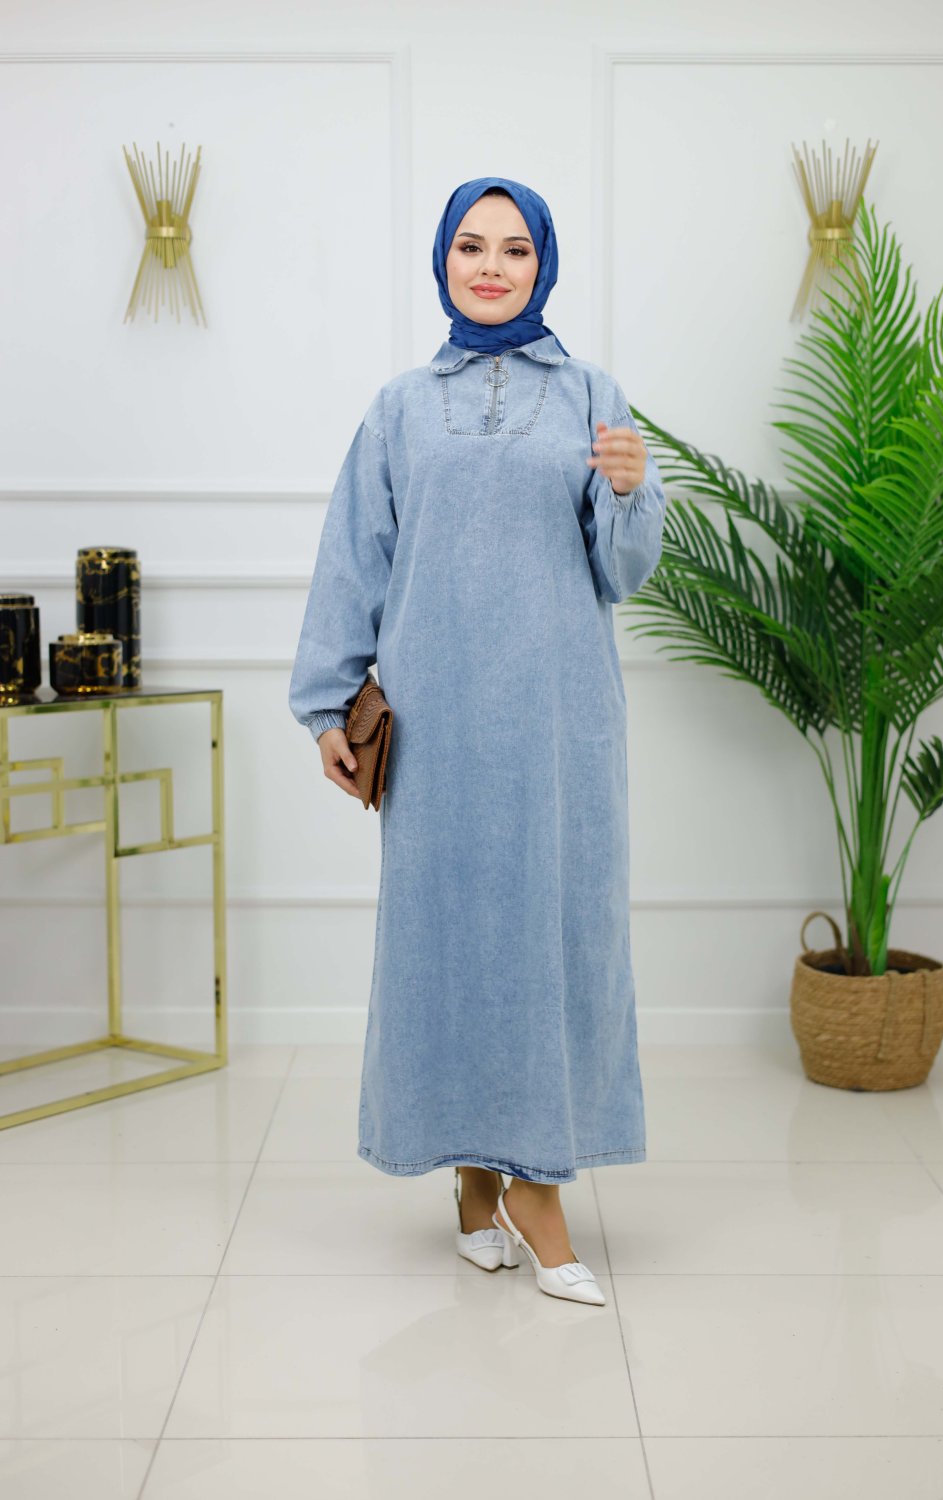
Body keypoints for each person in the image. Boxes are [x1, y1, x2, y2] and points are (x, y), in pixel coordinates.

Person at [289, 175, 666, 1306]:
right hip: (439, 724)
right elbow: (353, 556)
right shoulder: (401, 408)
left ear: (542, 264)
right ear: (444, 262)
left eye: (513, 249)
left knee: (551, 939)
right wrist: (327, 705)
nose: (491, 266)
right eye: (471, 246)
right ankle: (472, 1182)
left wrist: (633, 490)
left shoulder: (590, 393)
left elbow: (621, 572)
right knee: (450, 945)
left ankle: (536, 1185)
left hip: (557, 726)